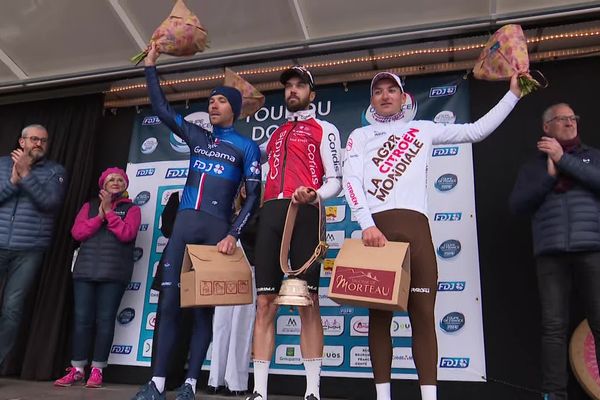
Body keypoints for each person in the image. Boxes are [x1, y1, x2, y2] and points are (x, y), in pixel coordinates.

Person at [343, 71, 522, 400]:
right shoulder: (359, 136)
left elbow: (476, 131)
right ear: (371, 100)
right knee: (379, 316)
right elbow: (351, 182)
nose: (385, 96)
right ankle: (383, 397)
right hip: (377, 232)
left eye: (391, 90)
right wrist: (366, 224)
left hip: (418, 232)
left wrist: (513, 94)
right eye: (378, 91)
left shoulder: (422, 130)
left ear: (402, 96)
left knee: (423, 315)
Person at [132, 43, 261, 400]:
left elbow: (253, 195)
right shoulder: (197, 136)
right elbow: (161, 108)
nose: (212, 104)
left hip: (217, 231)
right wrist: (152, 66)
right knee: (169, 304)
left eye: (220, 100)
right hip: (185, 227)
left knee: (203, 310)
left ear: (233, 109)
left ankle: (190, 383)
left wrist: (234, 234)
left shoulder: (246, 147)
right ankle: (156, 382)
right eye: (211, 100)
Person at [247, 66, 342, 400]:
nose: (293, 91)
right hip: (271, 212)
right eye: (288, 86)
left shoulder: (325, 129)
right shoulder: (274, 134)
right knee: (264, 303)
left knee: (308, 301)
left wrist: (315, 194)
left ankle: (312, 391)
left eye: (300, 86)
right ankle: (259, 391)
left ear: (311, 94)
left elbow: (335, 180)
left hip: (305, 212)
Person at [509, 103, 600, 400]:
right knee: (553, 328)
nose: (570, 123)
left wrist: (564, 160)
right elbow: (517, 205)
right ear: (546, 127)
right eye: (562, 119)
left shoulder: (592, 157)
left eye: (573, 118)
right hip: (550, 253)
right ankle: (554, 395)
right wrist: (548, 175)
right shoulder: (533, 167)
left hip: (592, 249)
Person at [54, 167, 141, 388]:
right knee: (82, 320)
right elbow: (77, 233)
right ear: (102, 184)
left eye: (120, 179)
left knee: (105, 321)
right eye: (110, 179)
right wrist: (100, 215)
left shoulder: (132, 209)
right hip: (85, 271)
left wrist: (110, 213)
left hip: (114, 273)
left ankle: (97, 370)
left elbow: (127, 234)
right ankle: (77, 369)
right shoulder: (89, 206)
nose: (115, 182)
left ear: (125, 185)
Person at [0, 124, 67, 367]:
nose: (39, 144)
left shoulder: (55, 171)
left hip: (29, 249)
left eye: (43, 140)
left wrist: (26, 175)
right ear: (22, 142)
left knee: (12, 309)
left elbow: (49, 203)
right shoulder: (1, 165)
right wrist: (13, 181)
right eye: (34, 139)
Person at [207, 185, 260, 396]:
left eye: (252, 184)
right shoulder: (227, 210)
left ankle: (236, 382)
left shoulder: (260, 212)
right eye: (243, 185)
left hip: (249, 267)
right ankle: (216, 378)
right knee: (220, 323)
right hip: (225, 269)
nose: (246, 188)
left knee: (242, 324)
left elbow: (257, 237)